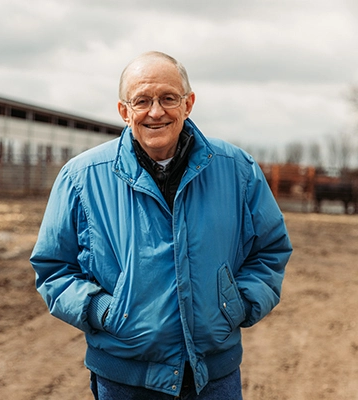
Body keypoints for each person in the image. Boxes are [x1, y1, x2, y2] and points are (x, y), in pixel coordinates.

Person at [30, 51, 293, 399]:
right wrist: (105, 310)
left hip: (215, 378)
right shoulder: (82, 178)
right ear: (124, 111)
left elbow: (270, 249)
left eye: (169, 98)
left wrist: (238, 303)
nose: (156, 111)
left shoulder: (237, 170)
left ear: (188, 104)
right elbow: (53, 268)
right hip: (124, 379)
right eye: (142, 101)